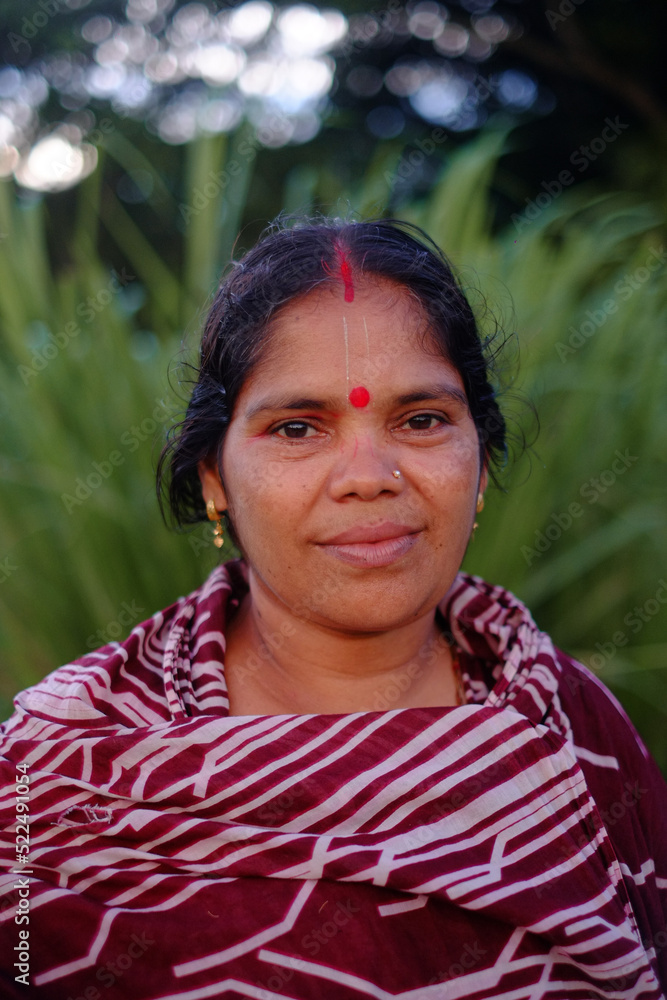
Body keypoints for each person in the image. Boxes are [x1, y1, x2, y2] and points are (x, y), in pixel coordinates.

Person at [1, 218, 666, 1000]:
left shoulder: (573, 733)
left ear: (480, 461)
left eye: (420, 420)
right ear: (214, 477)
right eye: (297, 427)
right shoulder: (63, 776)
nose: (368, 477)